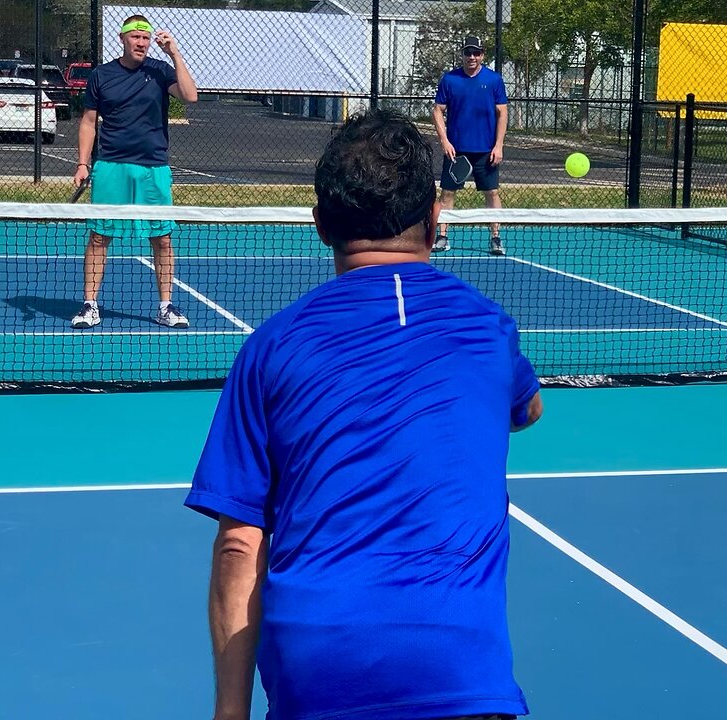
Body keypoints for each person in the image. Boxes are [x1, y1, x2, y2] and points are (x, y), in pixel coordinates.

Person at [185, 109, 543, 720]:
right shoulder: (488, 327)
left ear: (321, 224)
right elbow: (528, 408)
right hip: (461, 671)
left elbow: (240, 547)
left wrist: (229, 711)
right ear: (436, 216)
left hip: (317, 671)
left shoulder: (271, 347)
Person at [70, 14, 198, 329]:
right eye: (135, 37)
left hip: (153, 168)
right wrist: (83, 163)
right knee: (100, 236)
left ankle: (165, 307)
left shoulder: (160, 70)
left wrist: (174, 53)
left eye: (145, 37)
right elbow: (88, 121)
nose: (140, 43)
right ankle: (90, 305)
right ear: (123, 38)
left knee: (163, 239)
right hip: (111, 166)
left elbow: (190, 95)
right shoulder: (102, 75)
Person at [432, 35, 509, 256]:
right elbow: (437, 110)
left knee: (492, 192)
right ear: (463, 55)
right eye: (468, 53)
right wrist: (444, 141)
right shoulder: (450, 79)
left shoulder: (494, 80)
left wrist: (499, 145)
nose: (472, 57)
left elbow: (502, 112)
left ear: (482, 55)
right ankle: (442, 236)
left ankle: (496, 238)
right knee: (447, 193)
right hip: (456, 151)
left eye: (476, 53)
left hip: (486, 151)